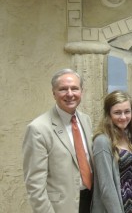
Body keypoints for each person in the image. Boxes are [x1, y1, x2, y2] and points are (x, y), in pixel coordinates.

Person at [22, 68, 94, 213]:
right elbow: (35, 186)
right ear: (53, 93)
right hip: (62, 207)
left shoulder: (85, 120)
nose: (70, 94)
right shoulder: (38, 129)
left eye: (74, 88)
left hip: (91, 202)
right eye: (63, 89)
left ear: (81, 91)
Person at [91, 91, 132, 213]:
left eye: (127, 111)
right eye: (117, 112)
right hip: (114, 208)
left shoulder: (130, 137)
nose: (123, 117)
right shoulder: (102, 141)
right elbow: (106, 188)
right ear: (108, 114)